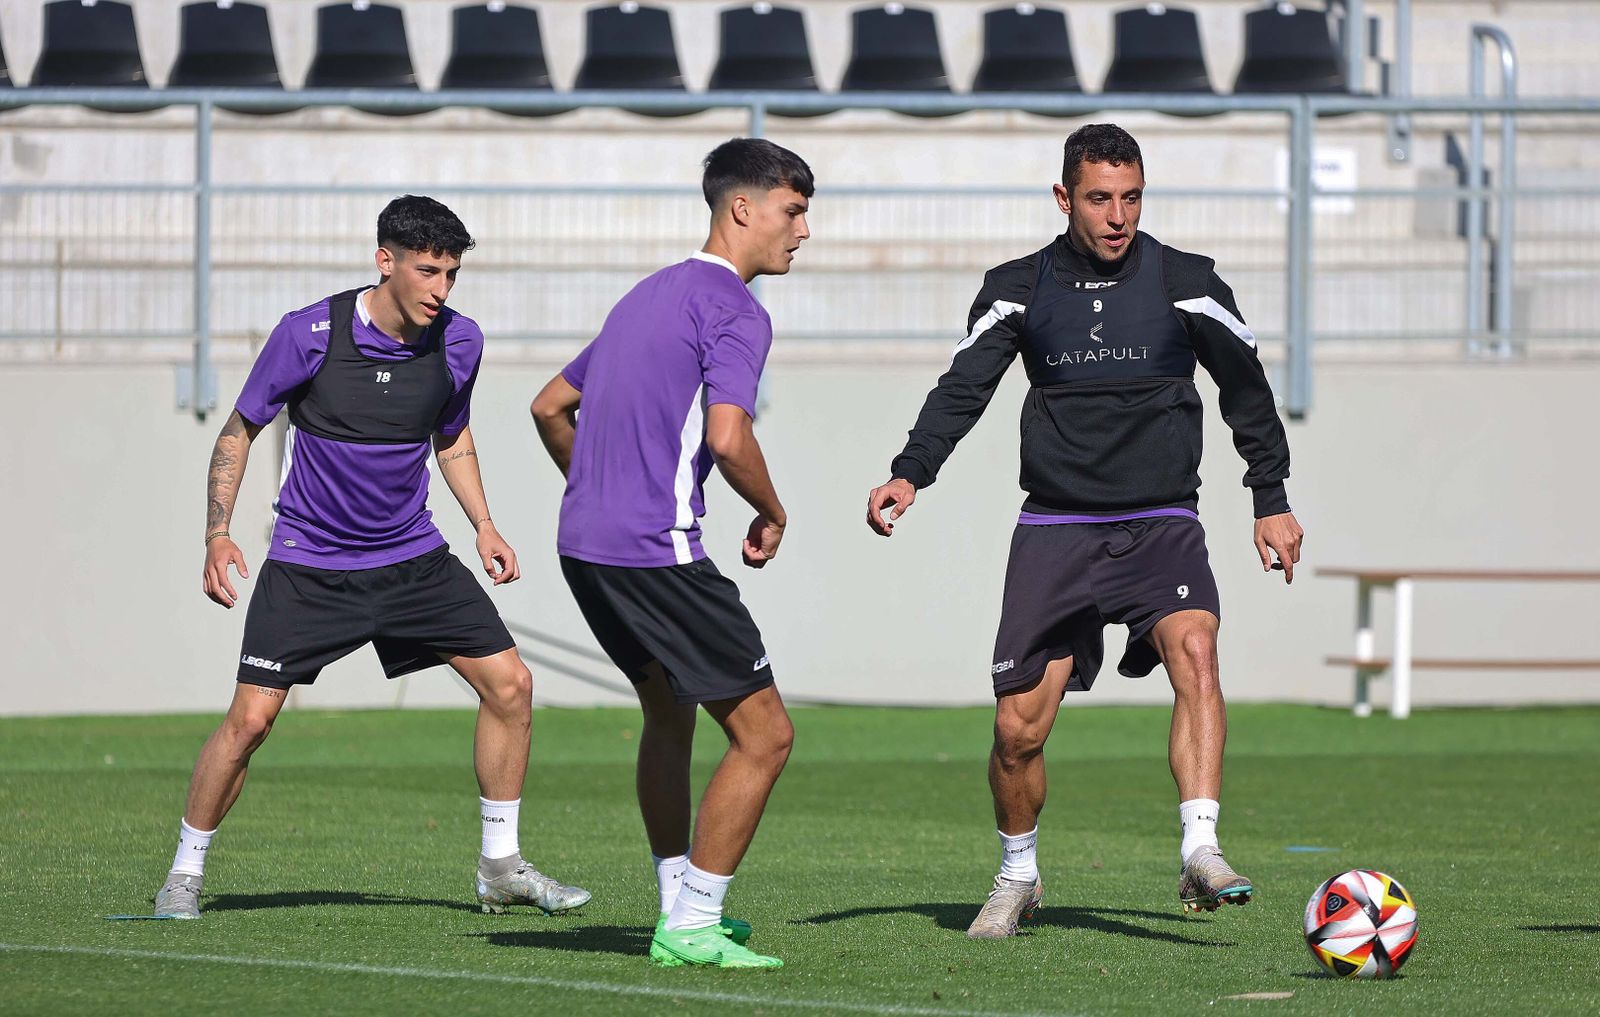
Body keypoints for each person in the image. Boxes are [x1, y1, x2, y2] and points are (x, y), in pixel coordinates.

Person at [865, 124, 1304, 939]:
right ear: (1064, 197)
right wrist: (909, 471)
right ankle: (1017, 873)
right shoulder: (1017, 288)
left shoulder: (1188, 282)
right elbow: (963, 388)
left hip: (1161, 521)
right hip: (1056, 528)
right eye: (1099, 198)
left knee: (1198, 649)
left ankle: (1200, 847)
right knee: (1015, 731)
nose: (1117, 216)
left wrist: (1268, 495)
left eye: (1131, 197)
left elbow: (1248, 389)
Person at [152, 195, 590, 920]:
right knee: (250, 722)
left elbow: (451, 436)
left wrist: (484, 523)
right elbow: (238, 431)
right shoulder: (308, 335)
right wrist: (216, 533)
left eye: (451, 274)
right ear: (384, 261)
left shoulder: (459, 342)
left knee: (511, 686)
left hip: (412, 558)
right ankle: (184, 874)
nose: (440, 289)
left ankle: (500, 865)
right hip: (310, 564)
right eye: (427, 271)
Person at [529, 138, 812, 969]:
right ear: (743, 208)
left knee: (668, 712)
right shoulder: (735, 309)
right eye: (793, 211)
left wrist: (602, 490)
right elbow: (728, 437)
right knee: (766, 735)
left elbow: (550, 406)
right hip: (658, 553)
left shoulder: (643, 296)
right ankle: (692, 922)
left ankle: (676, 903)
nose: (803, 231)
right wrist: (772, 509)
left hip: (585, 547)